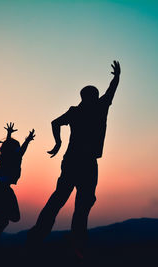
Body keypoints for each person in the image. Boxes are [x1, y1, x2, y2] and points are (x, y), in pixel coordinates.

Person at [27, 61, 121, 258]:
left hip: (72, 161)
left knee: (61, 199)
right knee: (80, 204)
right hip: (86, 163)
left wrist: (58, 143)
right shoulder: (99, 108)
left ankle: (39, 236)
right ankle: (76, 242)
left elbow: (55, 123)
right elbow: (111, 92)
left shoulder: (76, 111)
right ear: (92, 97)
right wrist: (116, 77)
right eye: (94, 95)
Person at [0, 122, 35, 243]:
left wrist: (9, 134)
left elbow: (10, 149)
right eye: (17, 147)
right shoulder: (12, 159)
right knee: (14, 217)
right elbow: (21, 151)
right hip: (3, 193)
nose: (18, 149)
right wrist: (27, 140)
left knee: (5, 221)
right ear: (13, 150)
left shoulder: (4, 158)